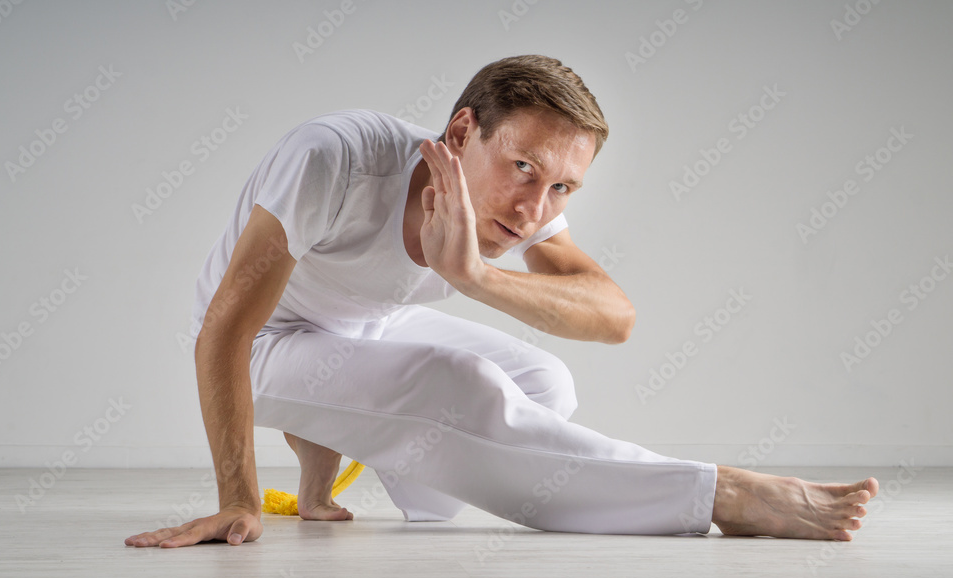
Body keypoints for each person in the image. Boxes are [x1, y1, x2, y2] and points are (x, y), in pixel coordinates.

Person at [125, 55, 877, 549]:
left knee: (548, 385)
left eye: (561, 186)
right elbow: (223, 327)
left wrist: (478, 278)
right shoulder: (336, 159)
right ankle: (719, 493)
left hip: (366, 326)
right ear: (461, 132)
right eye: (523, 167)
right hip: (263, 343)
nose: (532, 206)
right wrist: (237, 497)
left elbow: (614, 316)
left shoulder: (528, 200)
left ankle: (355, 464)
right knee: (460, 388)